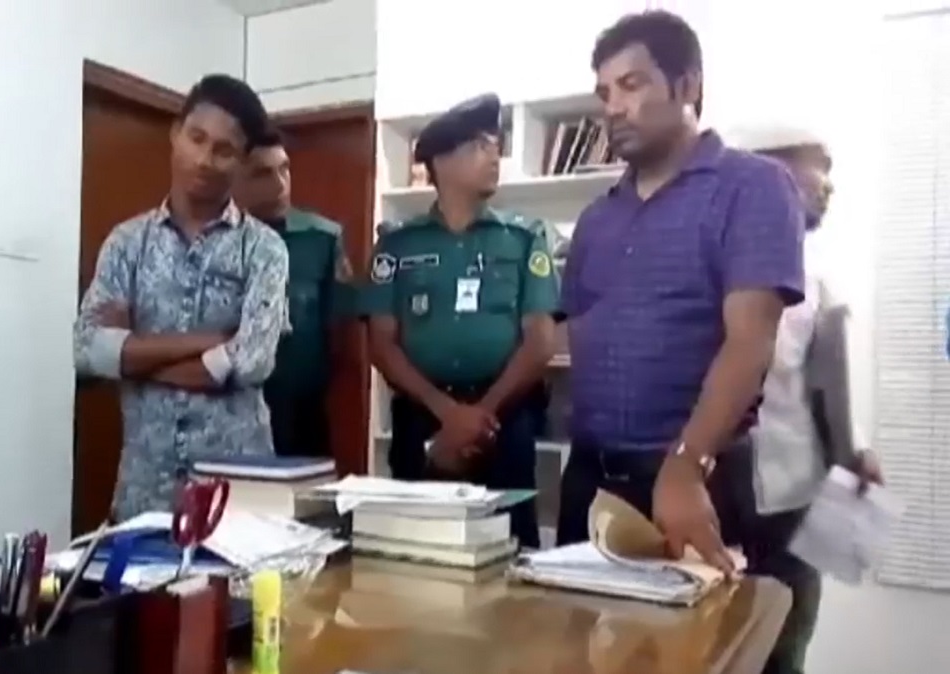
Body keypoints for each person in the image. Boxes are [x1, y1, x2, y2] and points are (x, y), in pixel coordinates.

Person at [555, 10, 806, 579]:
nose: (613, 107)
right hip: (591, 484)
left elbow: (750, 341)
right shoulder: (596, 219)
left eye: (631, 84)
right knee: (575, 635)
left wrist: (687, 462)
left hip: (691, 483)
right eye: (604, 93)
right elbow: (581, 333)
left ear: (688, 85)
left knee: (700, 637)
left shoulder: (753, 187)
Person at [73, 74, 289, 519]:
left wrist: (132, 357)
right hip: (144, 489)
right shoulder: (126, 244)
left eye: (224, 150)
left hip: (236, 494)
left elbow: (252, 360)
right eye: (196, 138)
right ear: (175, 134)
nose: (204, 159)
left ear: (242, 161)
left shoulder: (264, 250)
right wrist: (211, 342)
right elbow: (87, 348)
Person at [360, 93, 559, 549]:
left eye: (495, 145)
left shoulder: (524, 238)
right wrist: (447, 413)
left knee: (512, 549)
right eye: (479, 146)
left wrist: (479, 416)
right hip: (423, 418)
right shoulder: (397, 246)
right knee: (415, 548)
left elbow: (540, 342)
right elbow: (382, 345)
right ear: (440, 162)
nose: (494, 156)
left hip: (504, 420)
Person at [733, 124, 884, 674]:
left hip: (792, 501)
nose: (829, 186)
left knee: (785, 650)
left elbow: (825, 381)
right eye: (821, 167)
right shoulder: (712, 263)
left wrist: (855, 450)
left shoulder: (817, 277)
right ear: (774, 172)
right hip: (714, 495)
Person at [233, 127, 355, 459]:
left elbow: (340, 334)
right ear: (235, 179)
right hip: (232, 409)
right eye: (262, 174)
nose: (280, 184)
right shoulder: (220, 240)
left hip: (302, 410)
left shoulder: (322, 238)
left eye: (284, 169)